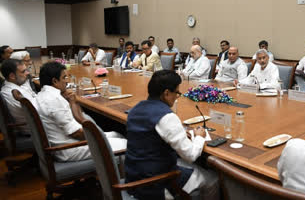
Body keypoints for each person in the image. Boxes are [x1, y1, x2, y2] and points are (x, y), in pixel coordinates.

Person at [125, 70, 218, 199]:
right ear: (167, 93)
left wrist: (177, 133)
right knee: (212, 179)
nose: (177, 97)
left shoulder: (136, 108)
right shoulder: (166, 116)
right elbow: (190, 156)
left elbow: (152, 135)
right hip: (155, 184)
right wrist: (199, 137)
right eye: (177, 93)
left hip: (134, 177)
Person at [36, 62, 127, 161]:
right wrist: (99, 137)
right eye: (64, 78)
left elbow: (76, 121)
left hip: (68, 141)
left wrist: (72, 102)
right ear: (54, 81)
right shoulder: (54, 99)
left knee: (116, 134)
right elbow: (76, 134)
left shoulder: (43, 95)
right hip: (70, 148)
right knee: (126, 143)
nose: (67, 82)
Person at [1, 59, 37, 135]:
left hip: (36, 124)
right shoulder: (12, 92)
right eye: (23, 71)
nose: (28, 73)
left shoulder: (16, 86)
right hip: (34, 131)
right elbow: (37, 111)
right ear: (12, 76)